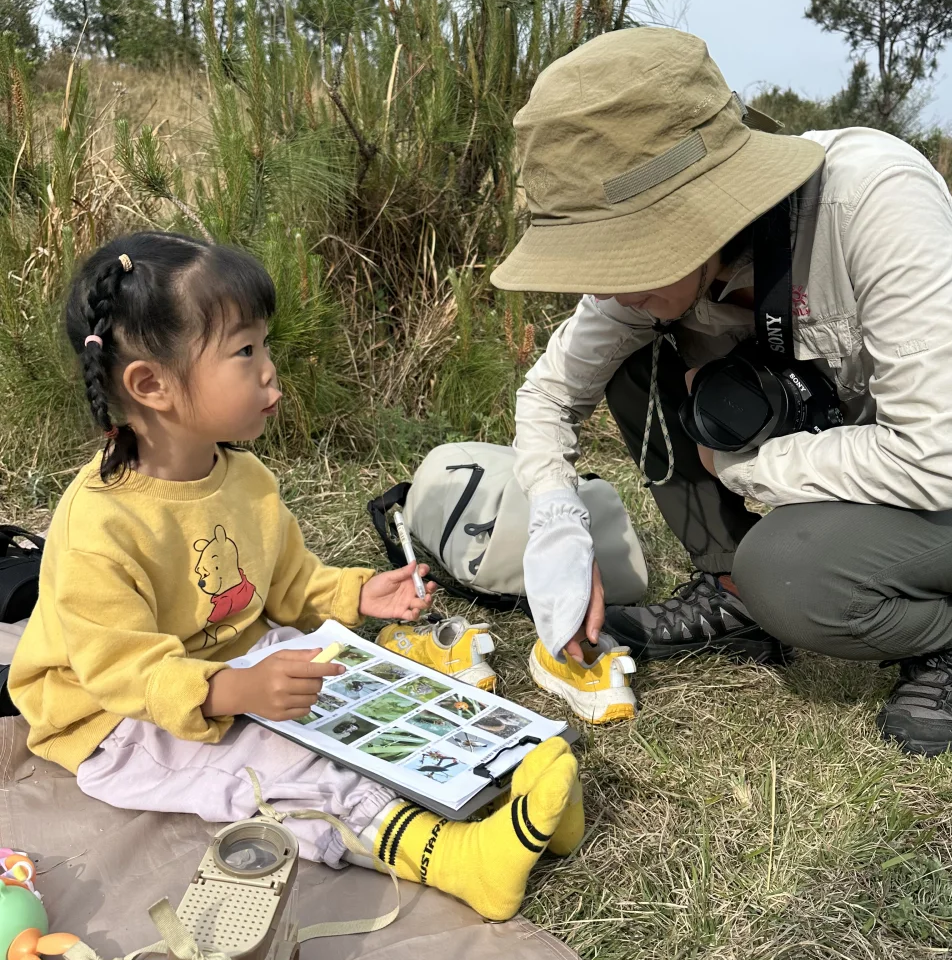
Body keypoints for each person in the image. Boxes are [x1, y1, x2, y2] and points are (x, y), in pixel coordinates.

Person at [492, 27, 952, 757]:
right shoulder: (646, 282)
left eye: (620, 248)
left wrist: (740, 467)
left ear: (701, 207)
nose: (602, 284)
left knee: (789, 572)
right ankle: (733, 594)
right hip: (858, 460)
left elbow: (941, 458)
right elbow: (549, 394)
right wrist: (557, 524)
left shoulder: (872, 199)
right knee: (632, 360)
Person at [9, 231, 581, 920]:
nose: (270, 373)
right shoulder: (97, 527)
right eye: (245, 351)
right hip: (119, 720)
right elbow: (123, 670)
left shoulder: (244, 479)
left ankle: (513, 784)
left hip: (229, 662)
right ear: (151, 385)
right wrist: (235, 689)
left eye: (264, 346)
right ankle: (454, 858)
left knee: (359, 689)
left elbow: (284, 584)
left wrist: (356, 593)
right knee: (277, 771)